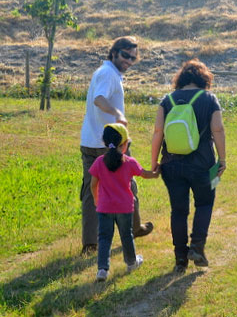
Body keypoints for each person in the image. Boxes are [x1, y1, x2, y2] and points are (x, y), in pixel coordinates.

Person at [80, 36, 153, 255]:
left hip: (90, 142)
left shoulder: (105, 72)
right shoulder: (109, 74)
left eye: (132, 57)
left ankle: (91, 243)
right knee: (127, 183)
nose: (128, 61)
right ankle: (134, 227)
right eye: (125, 55)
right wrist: (117, 112)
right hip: (110, 144)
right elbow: (99, 99)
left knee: (91, 188)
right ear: (114, 52)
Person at [151, 59, 226, 273]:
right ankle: (197, 246)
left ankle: (180, 259)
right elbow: (218, 130)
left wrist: (154, 162)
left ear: (181, 79)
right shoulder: (209, 99)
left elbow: (158, 132)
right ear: (203, 79)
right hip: (203, 164)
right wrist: (223, 159)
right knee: (204, 204)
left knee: (178, 211)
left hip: (171, 164)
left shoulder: (167, 100)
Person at [90, 123, 160, 282]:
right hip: (124, 208)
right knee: (126, 236)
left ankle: (102, 269)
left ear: (105, 143)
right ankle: (131, 263)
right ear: (124, 144)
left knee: (104, 238)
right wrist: (156, 173)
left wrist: (96, 199)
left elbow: (93, 184)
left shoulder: (99, 162)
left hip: (104, 208)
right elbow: (145, 174)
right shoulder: (129, 162)